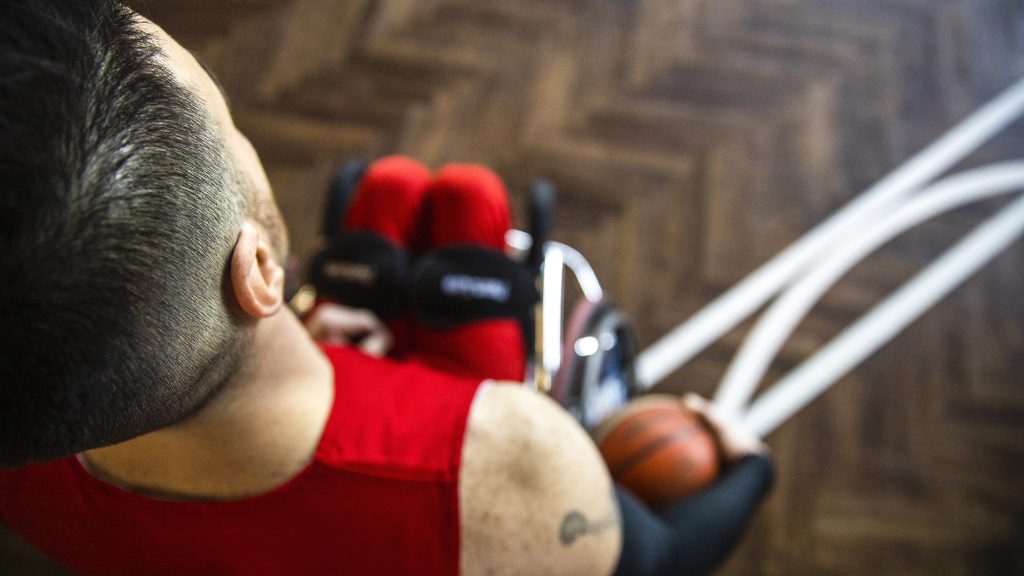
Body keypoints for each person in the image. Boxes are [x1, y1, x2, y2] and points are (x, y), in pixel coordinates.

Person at [0, 2, 772, 574]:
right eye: (231, 128)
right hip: (444, 456)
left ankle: (348, 322)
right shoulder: (518, 473)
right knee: (462, 199)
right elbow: (665, 559)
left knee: (395, 189)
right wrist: (753, 469)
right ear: (261, 271)